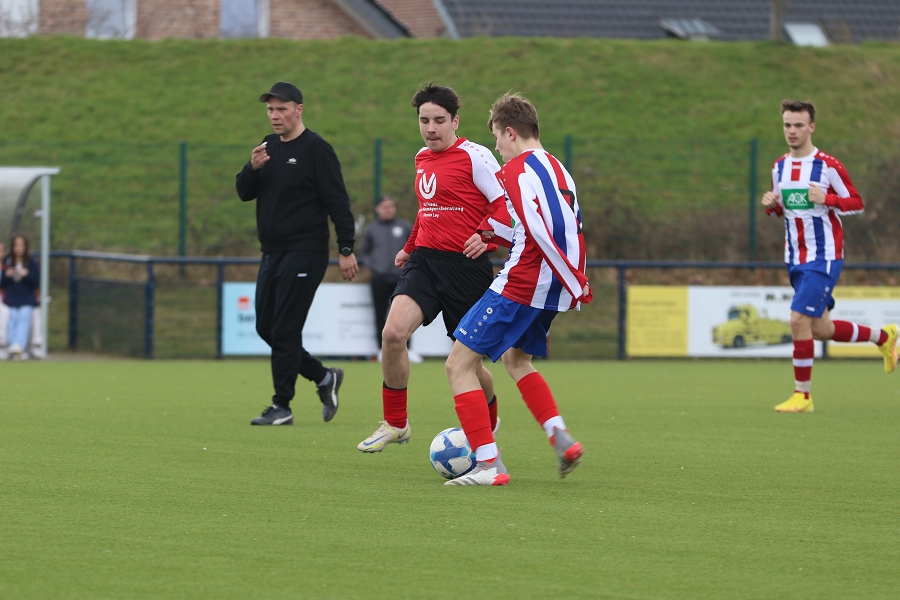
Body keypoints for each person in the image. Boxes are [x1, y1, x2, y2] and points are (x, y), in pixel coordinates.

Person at [443, 92, 592, 486]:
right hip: (550, 288)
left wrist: (574, 281)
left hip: (523, 282)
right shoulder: (558, 168)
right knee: (516, 360)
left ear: (510, 132)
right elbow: (557, 226)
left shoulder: (515, 170)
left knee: (458, 365)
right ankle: (560, 438)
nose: (496, 147)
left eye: (496, 137)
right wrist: (492, 234)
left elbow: (539, 231)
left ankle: (488, 464)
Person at [357, 83, 505, 453]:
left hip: (466, 268)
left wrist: (487, 237)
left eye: (439, 120)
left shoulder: (477, 156)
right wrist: (409, 248)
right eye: (424, 120)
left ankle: (490, 417)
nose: (431, 128)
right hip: (424, 260)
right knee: (393, 334)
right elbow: (427, 211)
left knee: (469, 364)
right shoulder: (422, 157)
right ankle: (396, 423)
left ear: (455, 121)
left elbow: (506, 204)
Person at [761, 100, 897, 414]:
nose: (792, 131)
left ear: (811, 127)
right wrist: (772, 205)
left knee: (797, 320)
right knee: (820, 329)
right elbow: (784, 211)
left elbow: (857, 203)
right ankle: (884, 337)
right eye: (787, 125)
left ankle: (802, 395)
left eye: (798, 125)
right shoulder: (779, 167)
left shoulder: (828, 165)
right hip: (795, 258)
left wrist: (828, 199)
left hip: (824, 256)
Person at [236, 81, 359, 426]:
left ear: (298, 109)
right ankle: (323, 377)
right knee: (266, 328)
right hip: (271, 252)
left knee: (285, 329)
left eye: (281, 109)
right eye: (270, 110)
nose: (275, 116)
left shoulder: (317, 149)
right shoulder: (267, 146)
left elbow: (338, 202)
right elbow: (244, 192)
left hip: (306, 250)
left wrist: (346, 248)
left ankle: (282, 406)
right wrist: (252, 168)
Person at [358, 195, 416, 361]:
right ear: (378, 209)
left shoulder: (405, 226)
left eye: (390, 206)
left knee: (405, 315)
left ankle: (408, 349)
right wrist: (374, 266)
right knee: (380, 315)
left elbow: (415, 247)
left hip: (402, 278)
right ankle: (381, 350)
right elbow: (364, 252)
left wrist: (409, 266)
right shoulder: (371, 229)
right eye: (384, 207)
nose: (388, 209)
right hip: (379, 279)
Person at [0, 234, 39, 361]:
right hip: (11, 299)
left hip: (27, 300)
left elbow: (35, 283)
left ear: (26, 247)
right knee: (12, 319)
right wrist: (6, 275)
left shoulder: (31, 263)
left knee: (24, 316)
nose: (18, 248)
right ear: (12, 247)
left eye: (21, 245)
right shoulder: (7, 261)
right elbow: (2, 284)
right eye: (16, 245)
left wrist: (26, 274)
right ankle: (13, 348)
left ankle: (18, 346)